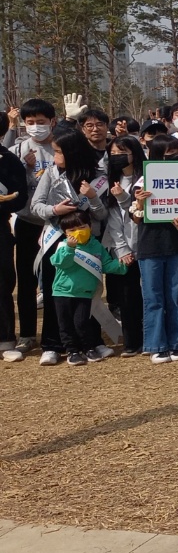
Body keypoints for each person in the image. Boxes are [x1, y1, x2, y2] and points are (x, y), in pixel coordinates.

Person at [32, 132, 111, 365]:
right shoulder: (51, 173)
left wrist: (93, 198)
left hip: (87, 243)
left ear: (73, 153)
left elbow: (102, 214)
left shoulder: (97, 177)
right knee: (55, 294)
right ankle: (53, 345)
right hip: (57, 240)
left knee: (87, 293)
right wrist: (55, 210)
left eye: (59, 152)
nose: (55, 156)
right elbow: (36, 205)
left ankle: (92, 342)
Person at [128, 135, 178, 363]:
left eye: (177, 152)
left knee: (175, 295)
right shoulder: (142, 182)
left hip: (176, 245)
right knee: (153, 297)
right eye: (168, 154)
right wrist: (141, 204)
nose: (175, 157)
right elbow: (134, 218)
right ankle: (156, 345)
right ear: (155, 156)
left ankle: (176, 344)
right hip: (150, 247)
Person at [48, 209, 126, 365]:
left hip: (85, 293)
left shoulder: (96, 245)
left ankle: (89, 348)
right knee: (66, 324)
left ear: (90, 226)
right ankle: (72, 351)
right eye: (72, 230)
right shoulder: (63, 246)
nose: (78, 232)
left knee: (82, 323)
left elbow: (107, 265)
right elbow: (59, 262)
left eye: (82, 227)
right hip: (63, 292)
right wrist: (70, 248)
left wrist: (123, 266)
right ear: (65, 232)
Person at [13, 97, 59, 351]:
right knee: (27, 279)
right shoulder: (18, 150)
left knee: (54, 279)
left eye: (41, 122)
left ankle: (54, 335)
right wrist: (22, 167)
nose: (35, 127)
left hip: (55, 224)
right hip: (27, 222)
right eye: (30, 122)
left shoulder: (60, 148)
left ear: (52, 122)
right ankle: (28, 334)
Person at [102, 136, 144, 357]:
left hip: (146, 246)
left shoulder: (146, 178)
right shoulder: (109, 181)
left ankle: (152, 337)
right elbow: (113, 220)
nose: (117, 156)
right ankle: (132, 341)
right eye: (113, 152)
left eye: (122, 151)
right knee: (127, 296)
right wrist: (122, 249)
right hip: (123, 249)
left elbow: (139, 212)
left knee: (150, 294)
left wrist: (124, 198)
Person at [0, 111, 29, 357]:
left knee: (2, 281)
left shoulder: (8, 160)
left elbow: (19, 196)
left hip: (0, 226)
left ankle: (5, 338)